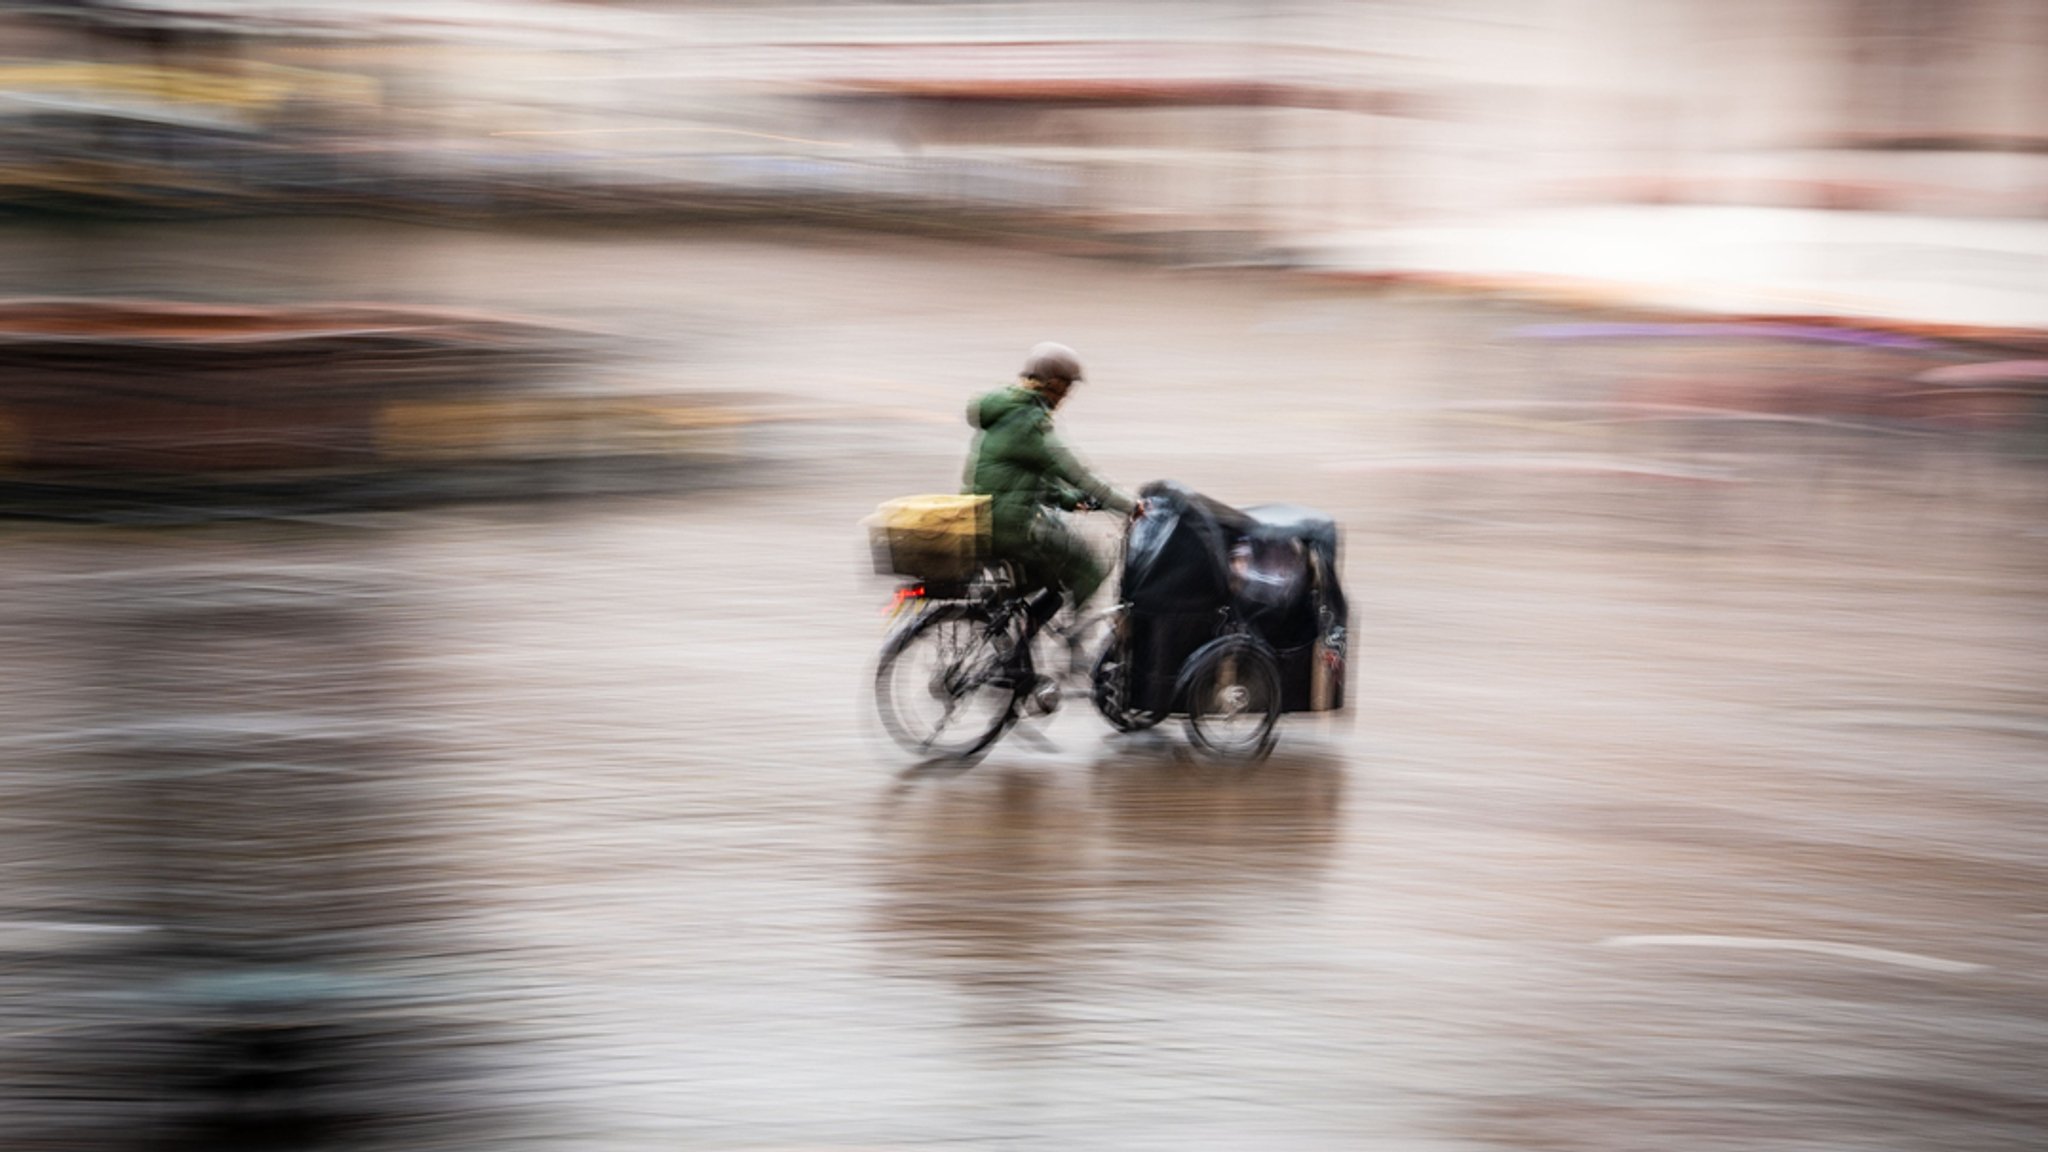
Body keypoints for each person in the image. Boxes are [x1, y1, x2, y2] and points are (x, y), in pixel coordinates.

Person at [963, 341, 1135, 638]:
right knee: (1089, 565)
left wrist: (1069, 500)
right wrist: (1131, 506)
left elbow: (1020, 477)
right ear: (1053, 385)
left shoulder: (1006, 409)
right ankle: (1074, 640)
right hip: (1009, 528)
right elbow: (1077, 473)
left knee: (1044, 579)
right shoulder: (1029, 423)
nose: (1066, 397)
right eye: (1066, 389)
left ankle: (1012, 645)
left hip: (981, 517)